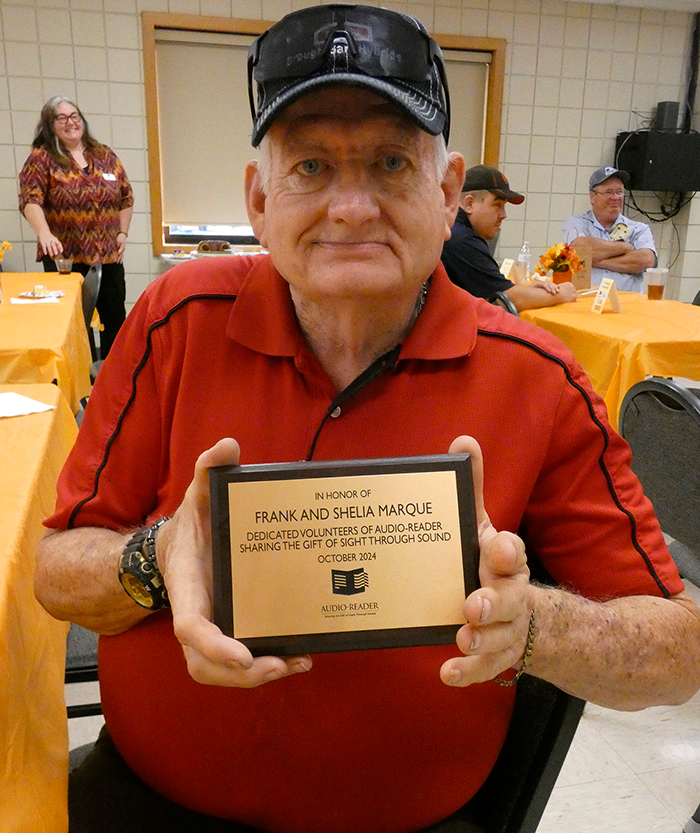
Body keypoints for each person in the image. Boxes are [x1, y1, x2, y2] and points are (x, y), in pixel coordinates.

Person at [33, 6, 700, 833]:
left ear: (449, 190)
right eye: (310, 165)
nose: (350, 206)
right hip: (149, 806)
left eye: (390, 162)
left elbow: (678, 651)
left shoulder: (538, 377)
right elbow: (56, 566)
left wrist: (535, 624)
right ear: (258, 199)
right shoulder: (178, 319)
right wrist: (156, 554)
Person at [18, 95, 134, 358]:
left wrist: (122, 233)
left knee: (114, 319)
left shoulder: (104, 155)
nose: (70, 122)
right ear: (49, 125)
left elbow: (126, 197)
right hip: (65, 258)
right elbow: (29, 200)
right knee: (73, 327)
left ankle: (111, 381)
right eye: (61, 117)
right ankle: (80, 385)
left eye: (74, 116)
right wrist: (44, 233)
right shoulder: (41, 159)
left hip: (108, 256)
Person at [442, 165, 577, 311]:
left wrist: (529, 291)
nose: (503, 215)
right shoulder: (461, 239)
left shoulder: (455, 229)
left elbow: (497, 291)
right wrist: (562, 294)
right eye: (497, 205)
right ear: (469, 204)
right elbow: (507, 299)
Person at [562, 166, 656, 293]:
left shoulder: (638, 229)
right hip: (585, 301)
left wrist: (595, 260)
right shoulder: (577, 222)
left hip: (628, 305)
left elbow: (646, 260)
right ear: (592, 197)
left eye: (619, 192)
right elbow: (578, 250)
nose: (615, 197)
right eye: (608, 192)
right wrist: (625, 248)